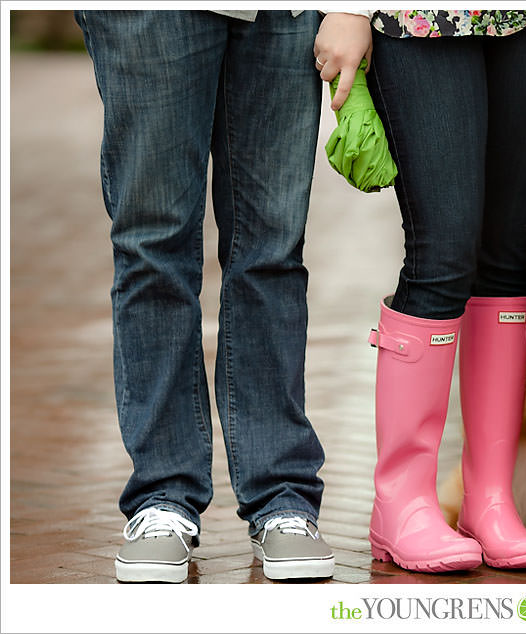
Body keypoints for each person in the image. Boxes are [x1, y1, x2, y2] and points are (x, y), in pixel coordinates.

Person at [314, 10, 526, 572]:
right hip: (421, 18)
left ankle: (490, 500)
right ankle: (400, 506)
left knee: (507, 262)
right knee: (442, 255)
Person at [75, 9, 335, 583]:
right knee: (152, 244)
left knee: (271, 248)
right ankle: (162, 496)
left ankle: (282, 495)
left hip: (284, 12)